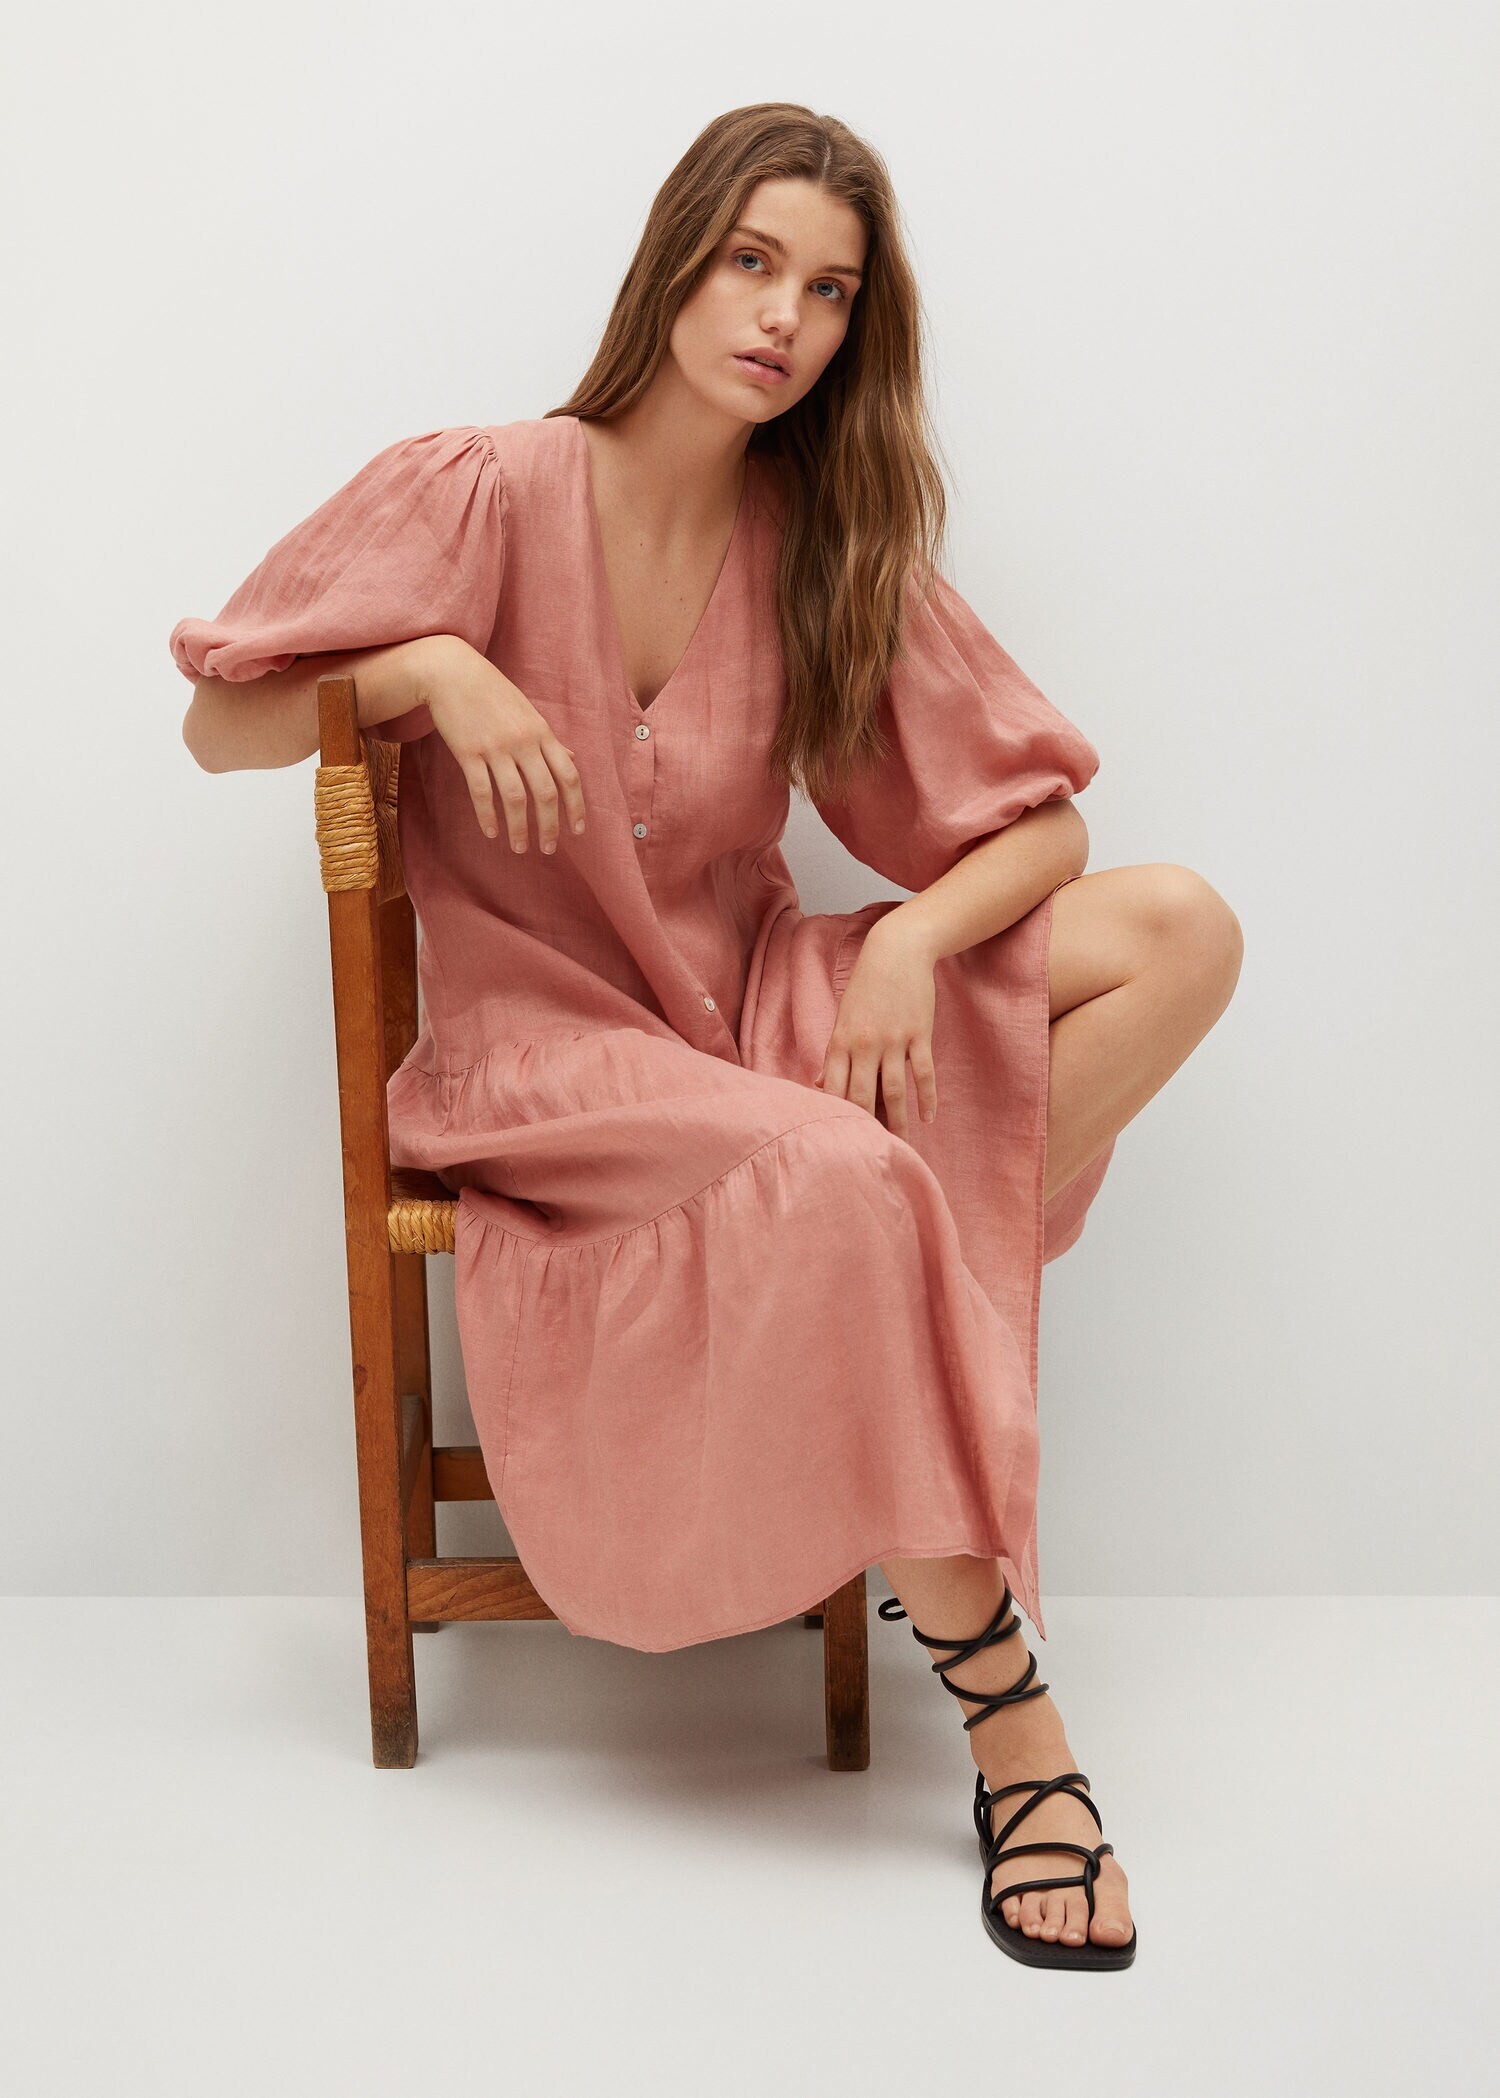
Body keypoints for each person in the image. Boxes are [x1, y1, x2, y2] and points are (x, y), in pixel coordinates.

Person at [172, 103, 1243, 1971]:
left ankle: (877, 1316)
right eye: (754, 263)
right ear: (677, 260)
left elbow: (1049, 828)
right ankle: (1016, 1727)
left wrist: (913, 940)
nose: (784, 320)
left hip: (756, 1017)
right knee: (851, 1173)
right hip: (551, 1064)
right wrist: (425, 666)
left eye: (829, 292)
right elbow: (222, 726)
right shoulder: (483, 489)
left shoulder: (815, 542)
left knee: (1181, 933)